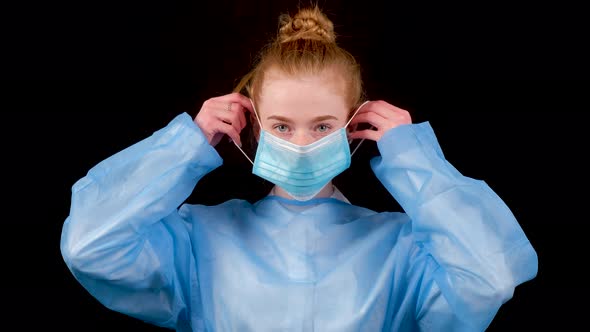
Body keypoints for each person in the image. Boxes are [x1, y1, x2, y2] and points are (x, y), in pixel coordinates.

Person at [60, 5, 538, 332]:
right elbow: (90, 246)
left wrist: (416, 158)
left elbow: (491, 277)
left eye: (323, 126)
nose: (303, 144)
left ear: (356, 126)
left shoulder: (402, 248)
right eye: (283, 127)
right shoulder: (200, 239)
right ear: (253, 126)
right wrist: (183, 145)